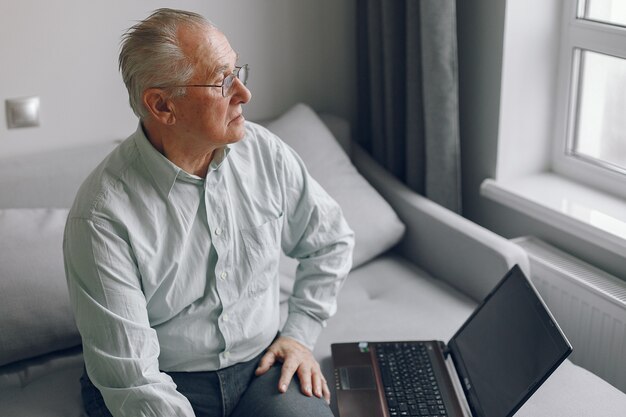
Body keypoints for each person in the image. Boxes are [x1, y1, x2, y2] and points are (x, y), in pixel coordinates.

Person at [63, 8, 354, 417]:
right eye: (221, 80)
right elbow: (134, 381)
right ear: (163, 105)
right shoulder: (101, 216)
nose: (244, 93)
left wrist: (299, 334)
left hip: (263, 367)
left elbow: (331, 240)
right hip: (156, 382)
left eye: (238, 71)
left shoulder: (264, 152)